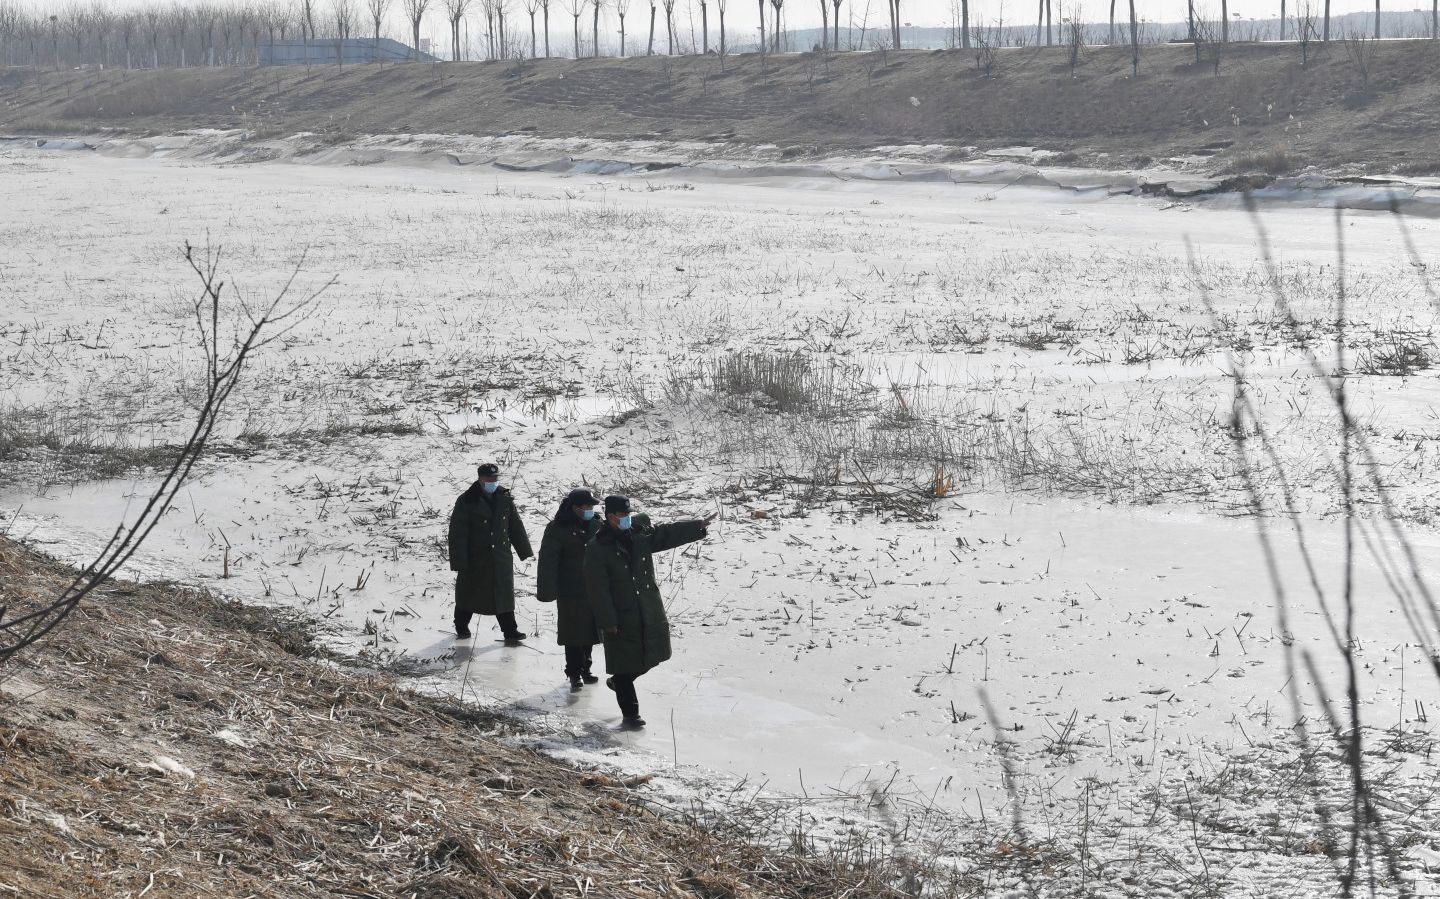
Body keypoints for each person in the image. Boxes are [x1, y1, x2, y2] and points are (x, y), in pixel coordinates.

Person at [584, 495, 715, 729]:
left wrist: (697, 526)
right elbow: (597, 590)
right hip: (620, 615)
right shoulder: (598, 547)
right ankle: (631, 714)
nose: (627, 518)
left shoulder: (637, 535)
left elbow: (665, 534)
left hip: (647, 608)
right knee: (624, 665)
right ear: (610, 516)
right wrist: (608, 621)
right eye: (622, 515)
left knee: (653, 655)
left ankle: (618, 681)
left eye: (628, 514)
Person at [447, 462, 532, 644]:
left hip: (500, 557)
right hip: (476, 557)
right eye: (489, 479)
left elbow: (515, 525)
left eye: (495, 478)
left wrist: (524, 550)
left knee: (503, 595)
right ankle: (461, 626)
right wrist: (459, 560)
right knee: (468, 594)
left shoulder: (504, 497)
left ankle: (510, 631)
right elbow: (458, 533)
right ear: (480, 479)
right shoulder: (466, 500)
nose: (492, 482)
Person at [536, 488, 603, 692]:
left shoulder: (597, 525)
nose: (590, 510)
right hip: (570, 589)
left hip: (593, 588)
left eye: (592, 506)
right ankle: (574, 672)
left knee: (591, 631)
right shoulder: (557, 528)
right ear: (574, 508)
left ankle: (586, 668)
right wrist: (547, 590)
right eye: (586, 507)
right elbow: (548, 561)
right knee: (574, 633)